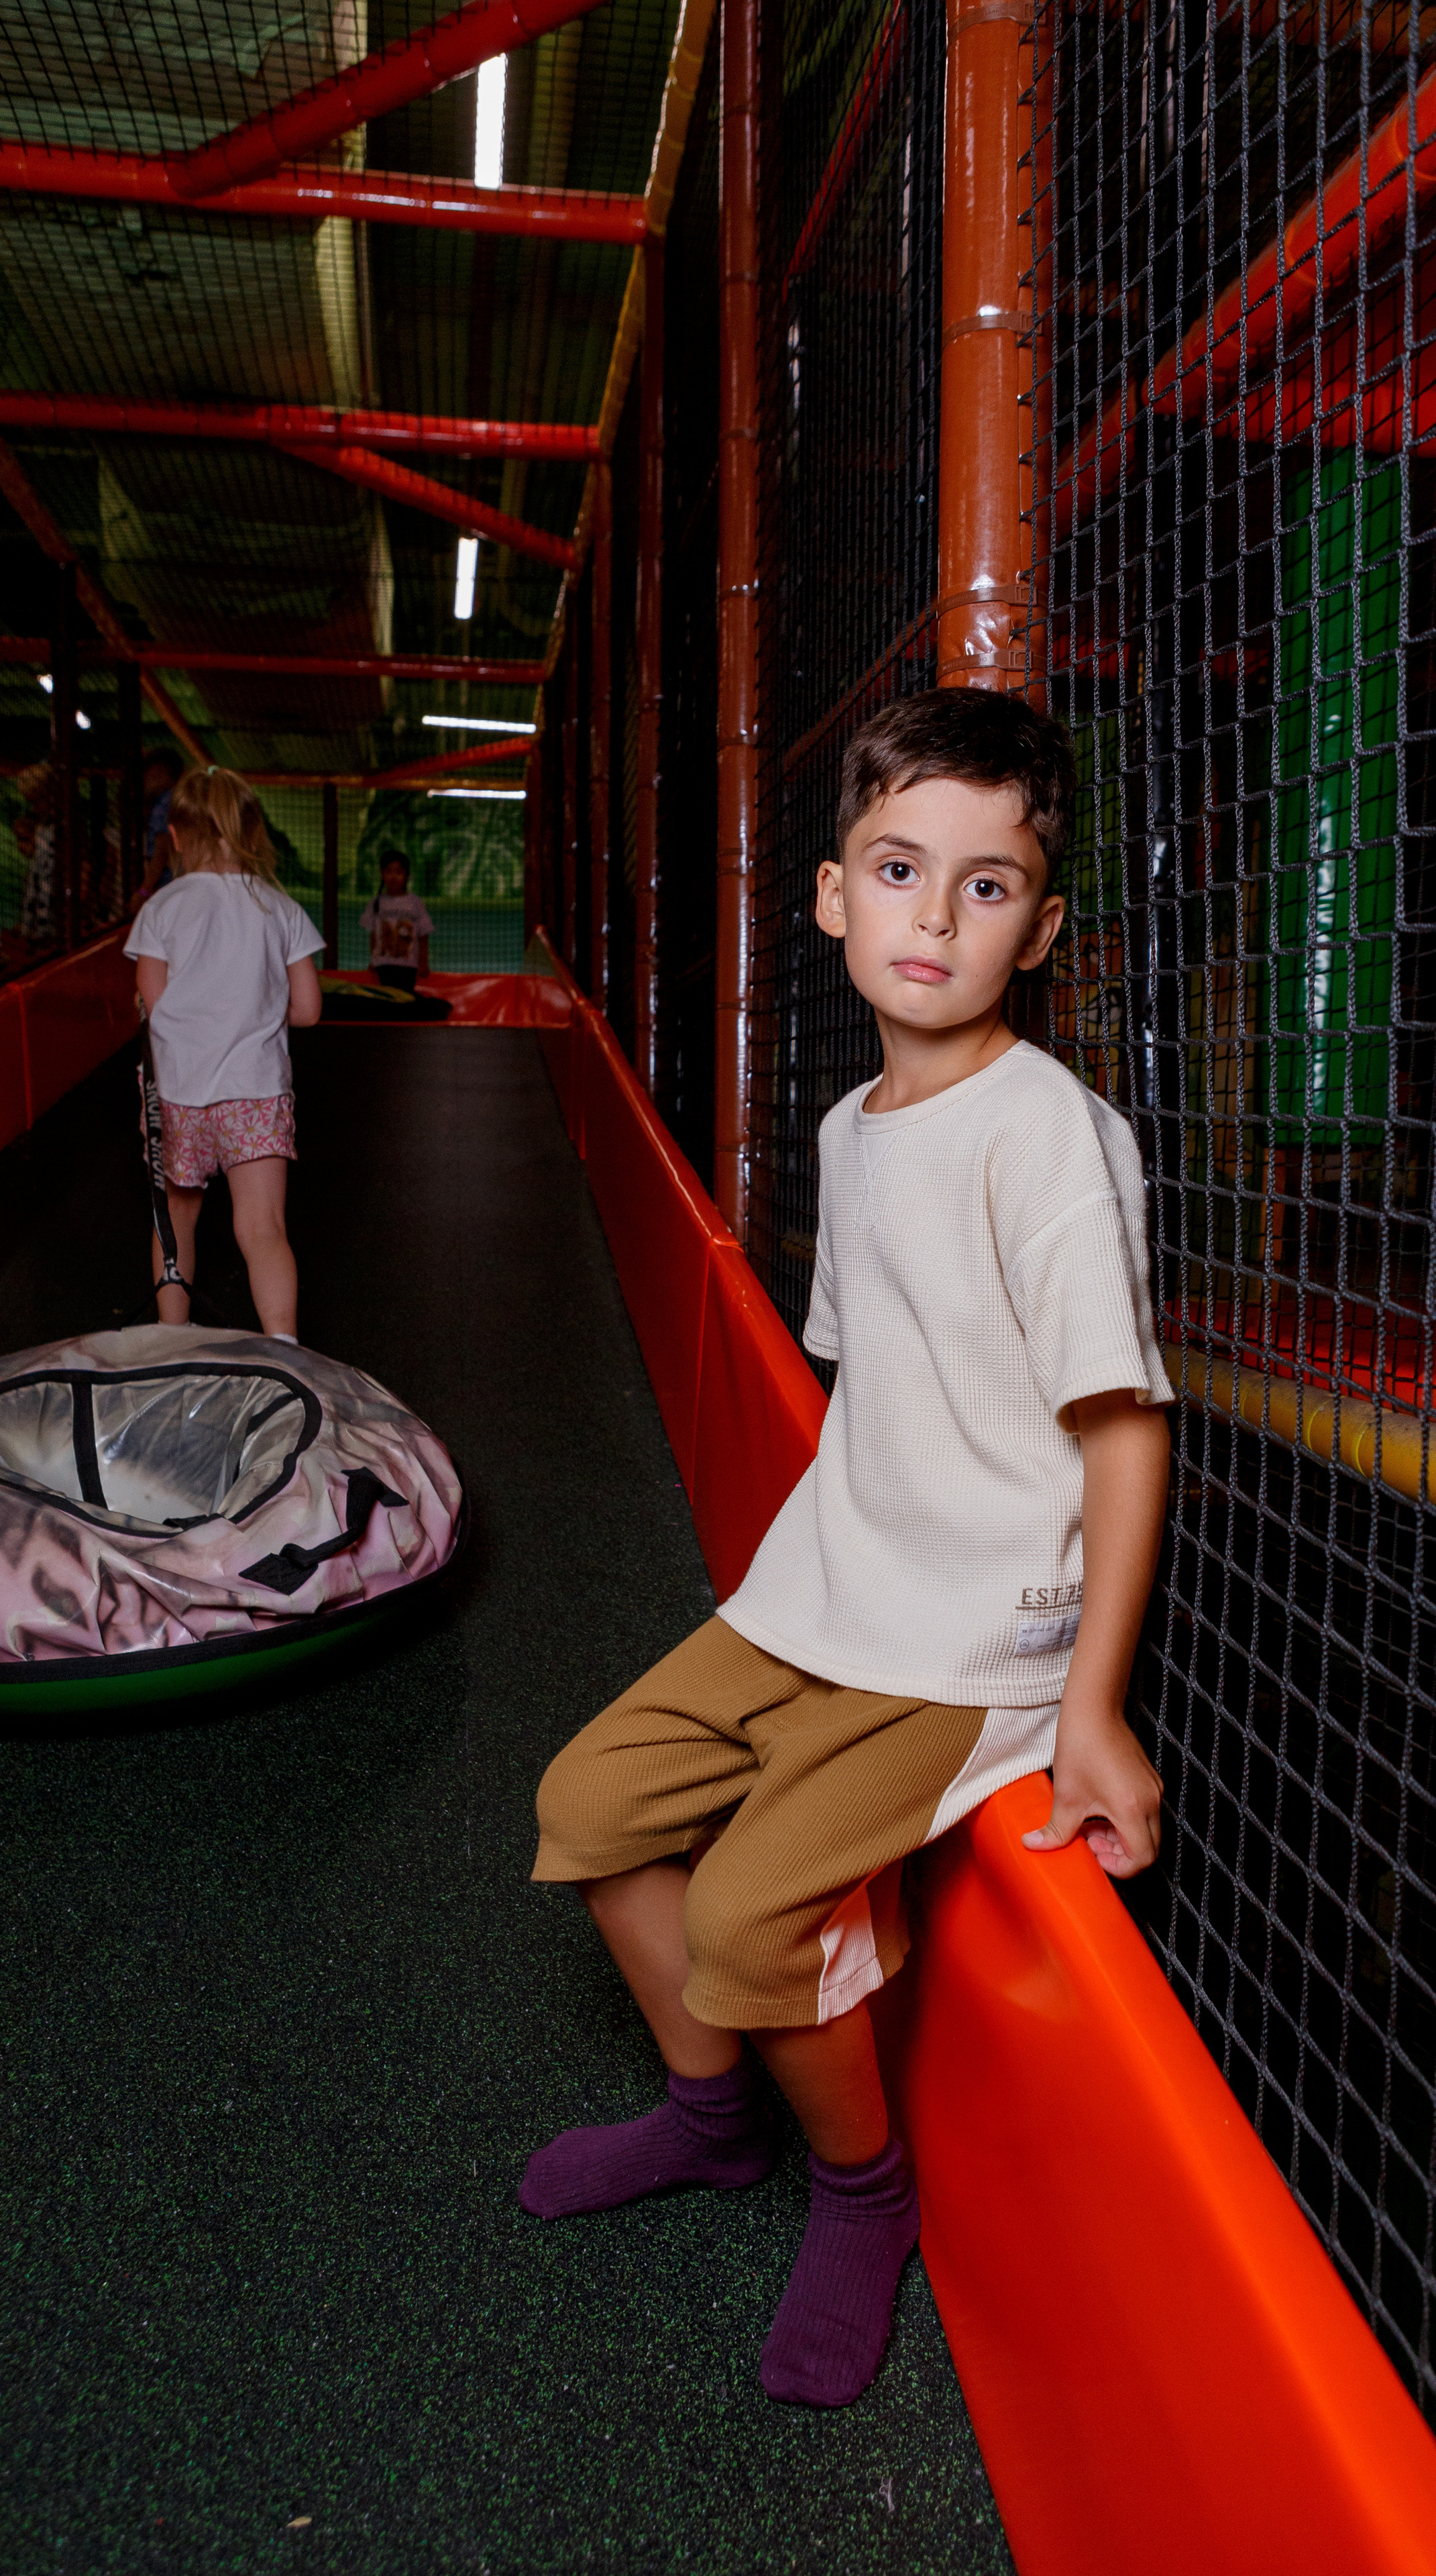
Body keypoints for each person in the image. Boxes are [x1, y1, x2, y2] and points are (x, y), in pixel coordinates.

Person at [522, 690, 1174, 2409]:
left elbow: (1119, 1428)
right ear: (829, 896)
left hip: (977, 1630)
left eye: (984, 886)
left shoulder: (1044, 1134)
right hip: (835, 1592)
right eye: (900, 869)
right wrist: (798, 1612)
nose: (934, 917)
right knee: (589, 1802)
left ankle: (863, 2193)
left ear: (1035, 931)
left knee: (750, 1905)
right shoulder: (845, 1126)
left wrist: (1089, 1711)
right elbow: (874, 1382)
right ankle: (710, 2117)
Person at [123, 765, 323, 1340]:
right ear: (252, 833)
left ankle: (172, 1342)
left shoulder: (161, 910)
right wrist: (252, 1006)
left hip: (181, 1091)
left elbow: (154, 1004)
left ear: (179, 837)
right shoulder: (279, 909)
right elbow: (308, 1009)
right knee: (263, 1228)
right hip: (255, 1091)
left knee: (175, 1218)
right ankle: (285, 1348)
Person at [360, 847, 433, 992]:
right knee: (388, 999)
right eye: (389, 871)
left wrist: (423, 963)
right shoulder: (377, 903)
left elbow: (423, 936)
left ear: (407, 875)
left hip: (408, 965)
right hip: (384, 964)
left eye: (399, 872)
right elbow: (373, 935)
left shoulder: (415, 903)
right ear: (382, 874)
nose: (394, 877)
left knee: (404, 1000)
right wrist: (373, 960)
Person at [132, 748, 186, 907]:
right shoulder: (178, 800)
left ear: (160, 772)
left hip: (168, 886)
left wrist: (144, 891)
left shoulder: (165, 802)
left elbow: (162, 851)